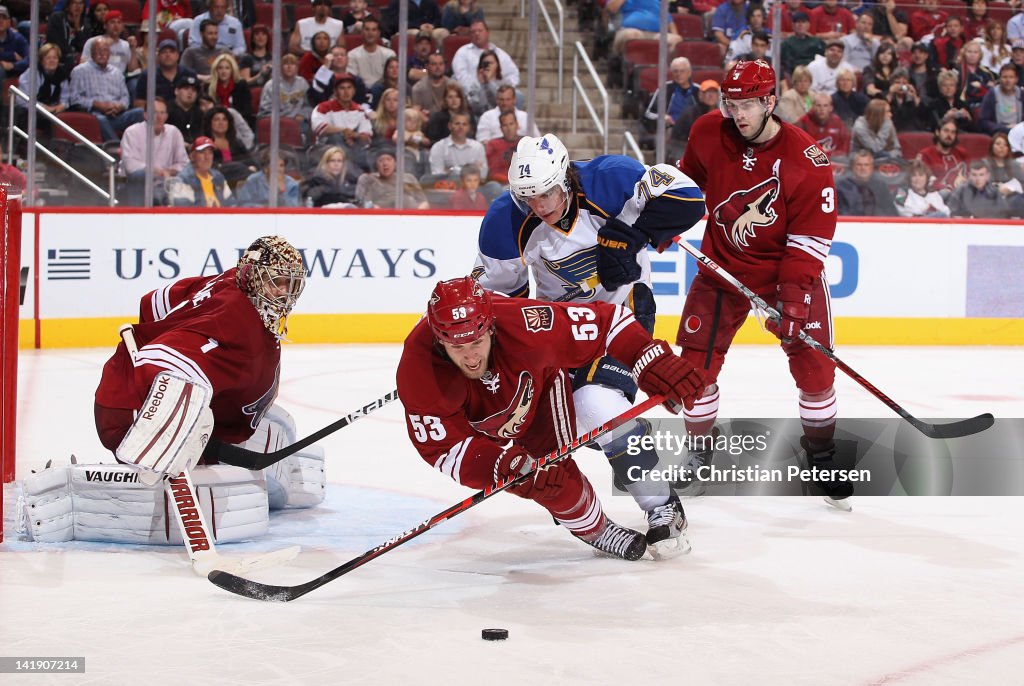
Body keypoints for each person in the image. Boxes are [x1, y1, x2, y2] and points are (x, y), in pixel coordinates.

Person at [473, 133, 705, 549]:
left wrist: (630, 233)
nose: (539, 207)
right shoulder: (504, 221)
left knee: (597, 405)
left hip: (623, 317)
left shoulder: (611, 178)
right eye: (529, 199)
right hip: (561, 328)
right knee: (545, 422)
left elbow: (689, 196)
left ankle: (661, 505)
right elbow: (498, 296)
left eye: (546, 193)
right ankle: (611, 466)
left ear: (566, 177)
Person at [25, 236, 322, 548]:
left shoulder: (229, 281)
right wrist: (172, 432)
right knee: (189, 420)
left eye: (290, 284)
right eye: (276, 282)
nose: (284, 294)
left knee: (268, 424)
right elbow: (160, 367)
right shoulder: (237, 326)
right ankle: (79, 491)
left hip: (133, 390)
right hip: (132, 413)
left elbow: (154, 302)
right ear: (252, 275)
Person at [396, 277, 706, 561]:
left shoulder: (524, 323)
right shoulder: (418, 368)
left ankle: (661, 503)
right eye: (457, 348)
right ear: (440, 342)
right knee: (540, 482)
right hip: (479, 424)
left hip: (538, 391)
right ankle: (594, 528)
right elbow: (445, 449)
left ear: (490, 327)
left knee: (579, 435)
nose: (471, 357)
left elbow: (609, 321)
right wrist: (499, 466)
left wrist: (649, 358)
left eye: (476, 342)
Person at [674, 59, 850, 509]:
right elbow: (686, 187)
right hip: (721, 269)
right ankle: (698, 453)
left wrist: (792, 299)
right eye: (731, 104)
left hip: (784, 275)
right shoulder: (708, 131)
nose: (738, 114)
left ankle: (823, 457)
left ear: (770, 101)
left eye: (748, 105)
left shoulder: (806, 159)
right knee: (694, 373)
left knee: (815, 373)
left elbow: (810, 241)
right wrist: (657, 220)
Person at [66, 36, 143, 142]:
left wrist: (119, 106)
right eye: (98, 50)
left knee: (140, 113)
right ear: (92, 53)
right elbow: (74, 99)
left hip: (116, 115)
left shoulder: (117, 73)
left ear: (109, 53)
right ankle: (118, 150)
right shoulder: (79, 71)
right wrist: (96, 104)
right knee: (100, 119)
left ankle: (140, 149)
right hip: (94, 115)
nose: (102, 54)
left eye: (105, 50)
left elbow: (125, 97)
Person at [118, 98, 188, 206]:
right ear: (145, 115)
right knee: (140, 176)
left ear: (166, 116)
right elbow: (131, 166)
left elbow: (183, 163)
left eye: (162, 113)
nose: (159, 117)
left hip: (167, 184)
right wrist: (158, 172)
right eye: (154, 113)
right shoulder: (132, 132)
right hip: (139, 186)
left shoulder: (173, 132)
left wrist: (168, 172)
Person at [166, 135, 235, 206]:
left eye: (210, 153)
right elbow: (184, 212)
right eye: (202, 152)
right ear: (192, 156)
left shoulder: (218, 177)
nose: (207, 157)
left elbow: (231, 204)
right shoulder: (183, 180)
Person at [355, 148, 429, 209]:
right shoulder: (369, 180)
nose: (385, 164)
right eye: (381, 161)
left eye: (389, 159)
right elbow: (364, 204)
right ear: (376, 165)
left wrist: (416, 215)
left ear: (395, 163)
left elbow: (424, 203)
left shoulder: (409, 178)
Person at [642, 57, 699, 132]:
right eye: (676, 71)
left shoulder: (699, 90)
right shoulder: (664, 89)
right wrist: (662, 117)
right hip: (670, 130)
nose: (678, 74)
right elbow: (649, 113)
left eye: (682, 71)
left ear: (689, 73)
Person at [835, 150, 898, 216]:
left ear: (872, 168)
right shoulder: (841, 187)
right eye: (859, 165)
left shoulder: (881, 186)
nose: (863, 168)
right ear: (852, 167)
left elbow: (891, 212)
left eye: (866, 165)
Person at [917, 117, 970, 195]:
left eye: (953, 132)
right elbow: (924, 181)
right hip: (939, 195)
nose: (949, 135)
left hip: (962, 193)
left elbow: (971, 174)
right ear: (937, 132)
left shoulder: (962, 153)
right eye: (946, 131)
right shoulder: (925, 155)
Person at [236, 149, 301, 207]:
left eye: (281, 165)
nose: (279, 169)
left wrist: (281, 192)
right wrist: (265, 208)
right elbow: (243, 204)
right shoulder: (253, 180)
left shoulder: (291, 184)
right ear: (265, 168)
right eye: (274, 165)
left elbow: (293, 209)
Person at [797, 90, 850, 158]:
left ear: (831, 108)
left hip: (834, 160)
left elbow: (844, 145)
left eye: (825, 106)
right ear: (813, 107)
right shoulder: (804, 122)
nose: (822, 109)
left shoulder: (837, 122)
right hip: (810, 160)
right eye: (818, 105)